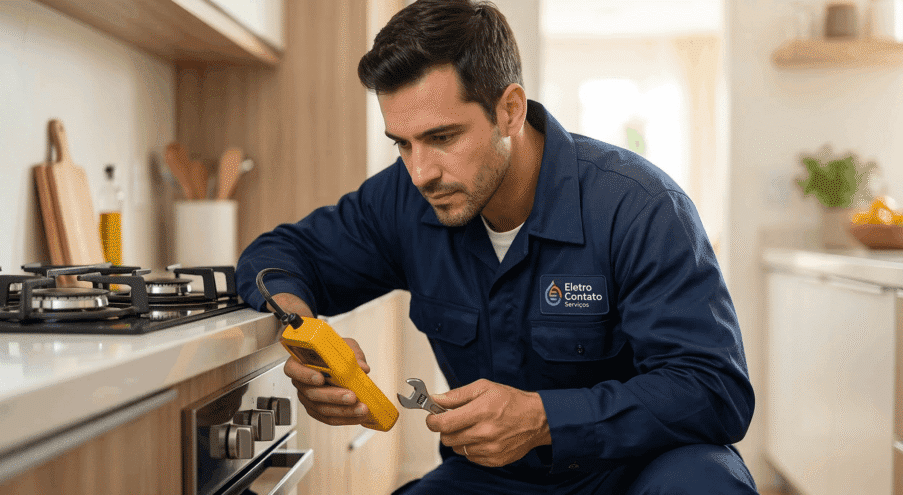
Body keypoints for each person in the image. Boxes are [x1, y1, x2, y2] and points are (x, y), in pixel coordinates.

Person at [236, 0, 757, 492]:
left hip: (633, 473)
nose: (420, 172)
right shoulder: (405, 198)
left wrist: (542, 418)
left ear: (509, 109)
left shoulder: (639, 207)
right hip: (495, 481)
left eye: (443, 138)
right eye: (403, 143)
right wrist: (305, 337)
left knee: (704, 483)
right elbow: (277, 256)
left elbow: (715, 390)